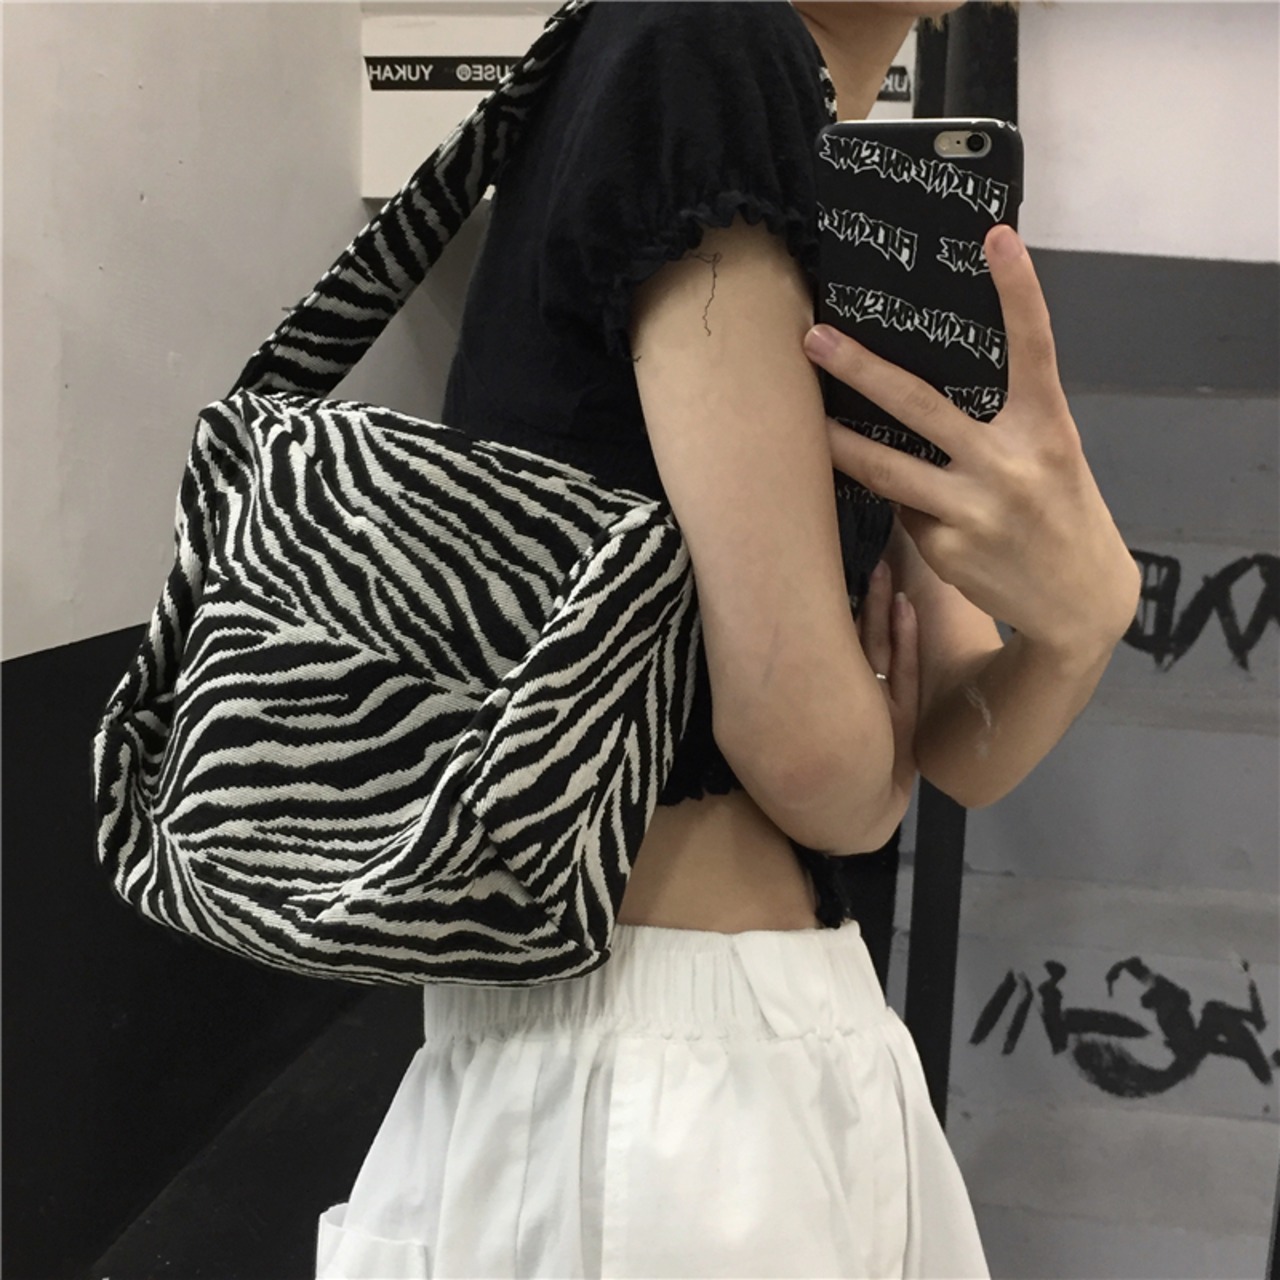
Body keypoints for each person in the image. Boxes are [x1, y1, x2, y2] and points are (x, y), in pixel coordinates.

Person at [315, 2, 1140, 1276]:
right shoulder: (708, 46)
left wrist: (1083, 622)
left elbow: (957, 735)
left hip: (677, 1077)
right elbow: (810, 754)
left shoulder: (817, 154)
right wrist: (868, 785)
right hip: (679, 1108)